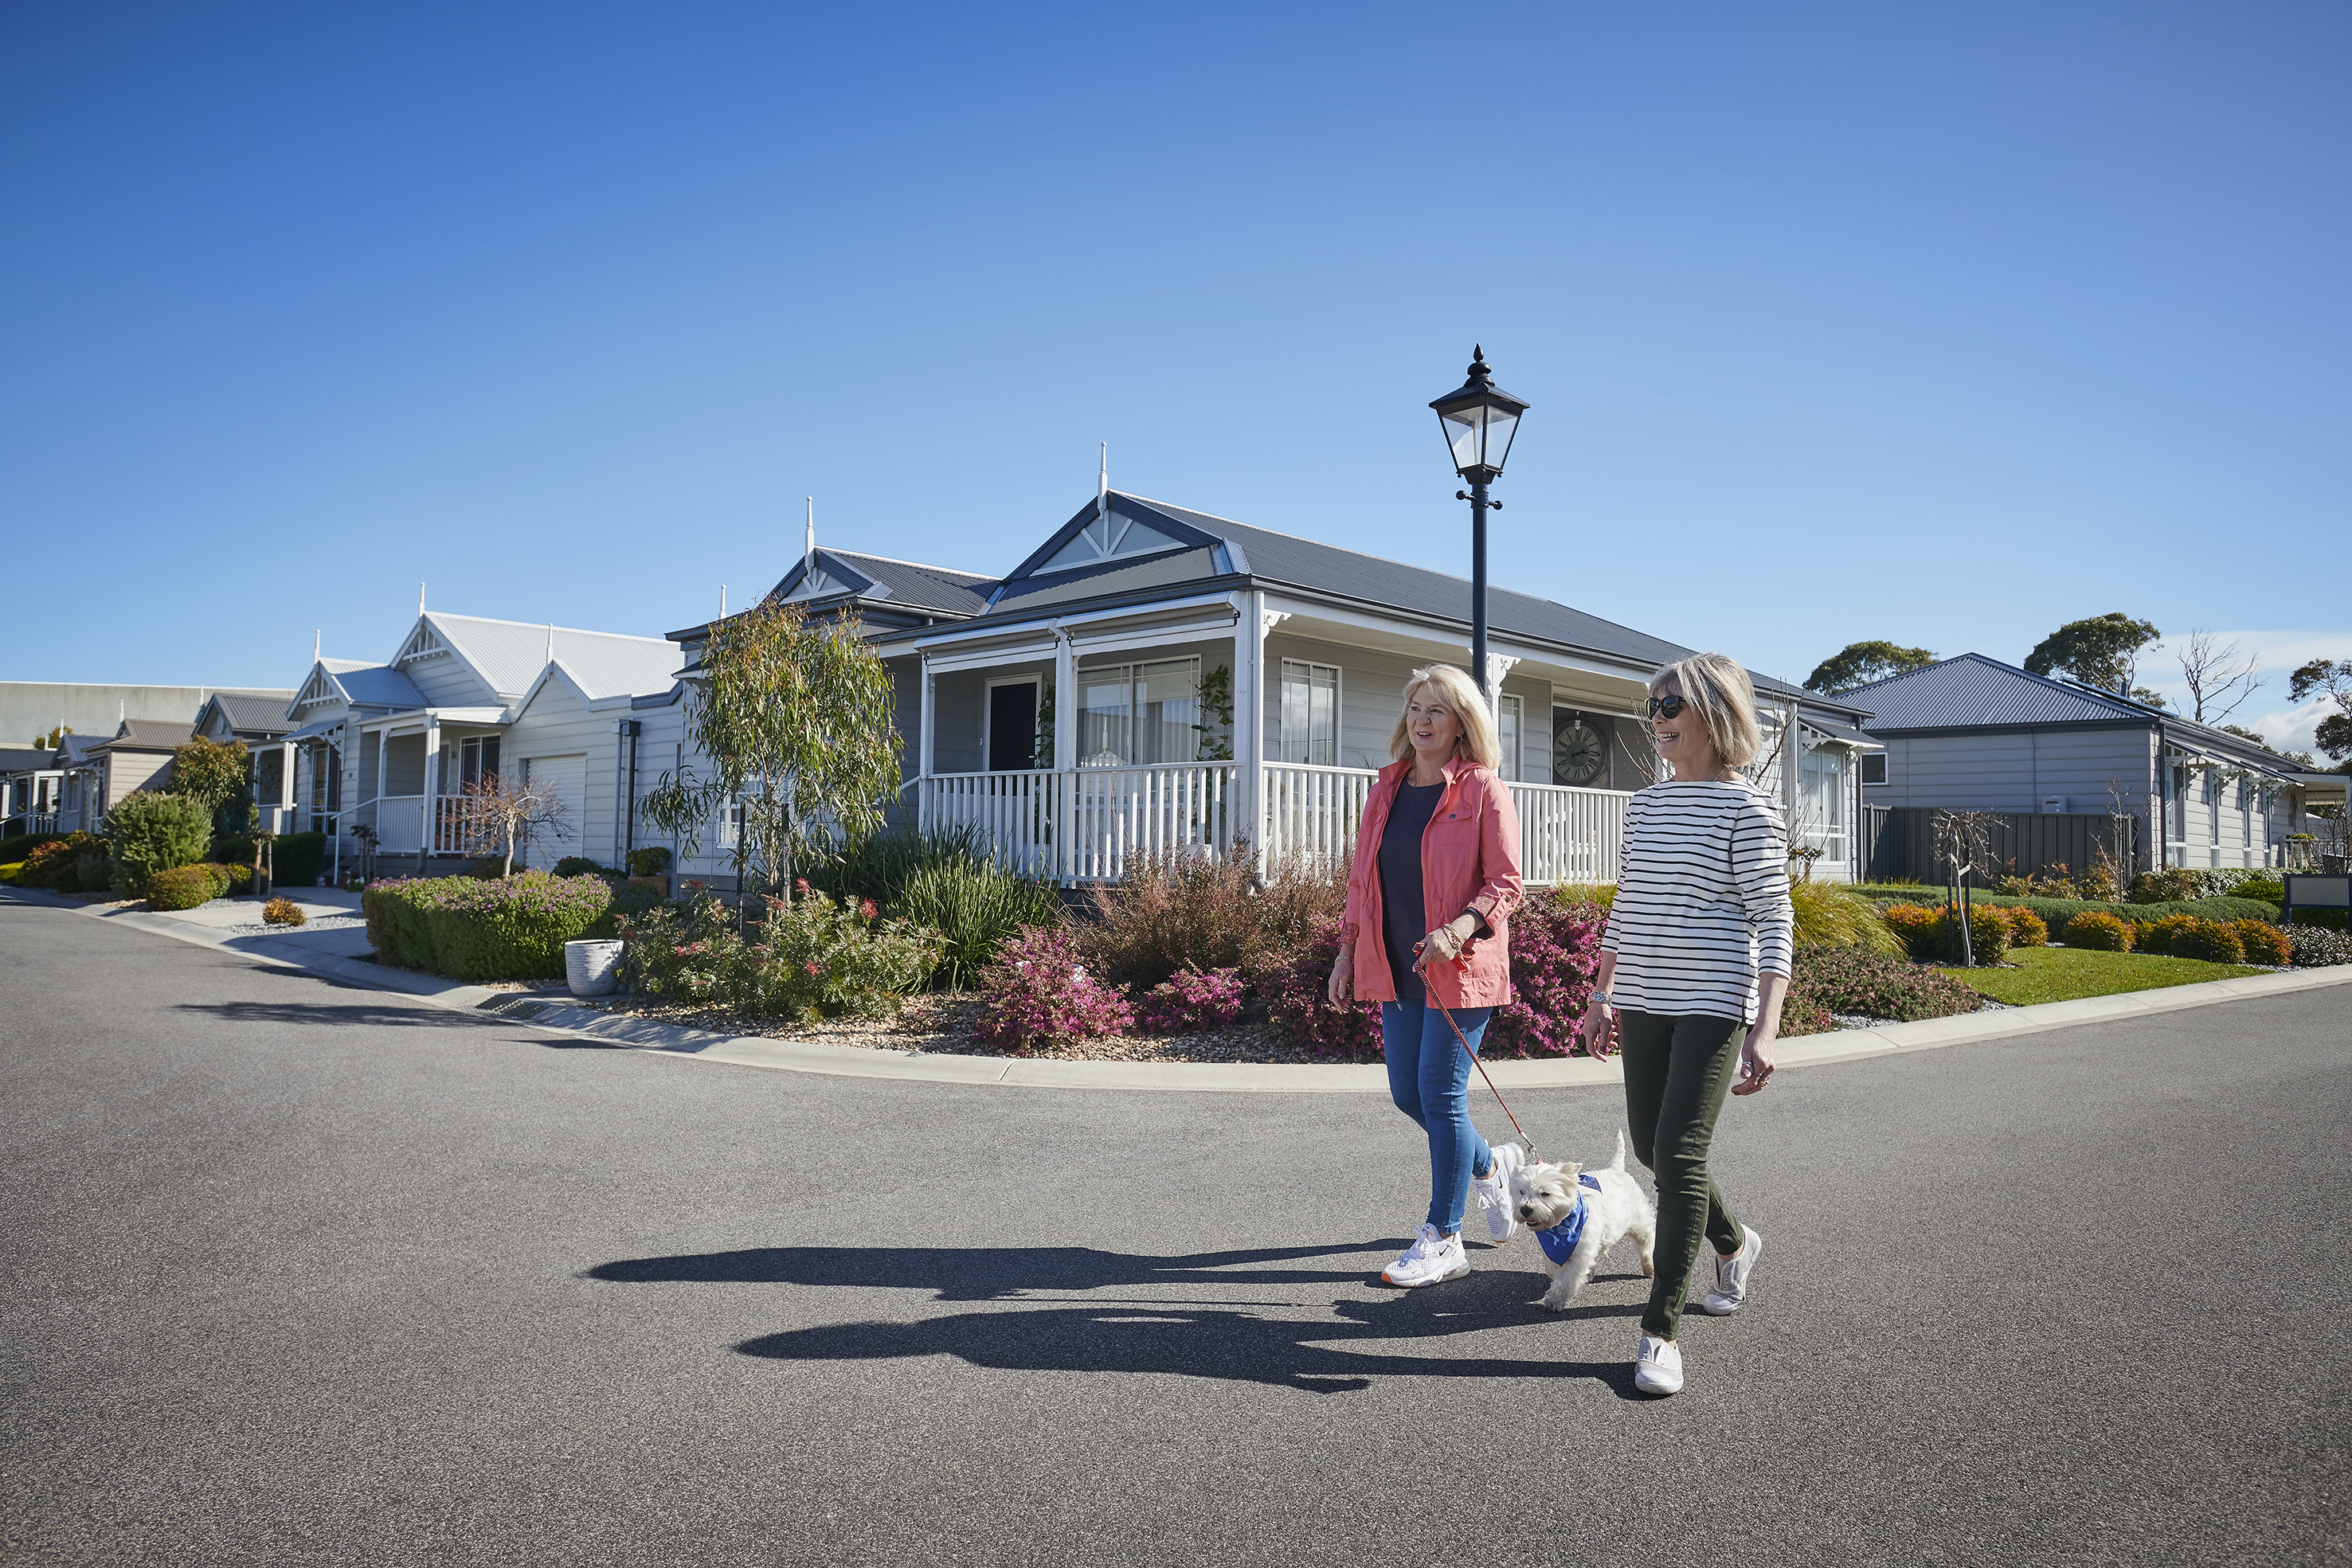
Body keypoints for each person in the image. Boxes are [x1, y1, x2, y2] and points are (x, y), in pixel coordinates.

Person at [1580, 651, 1793, 1396]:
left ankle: (1659, 1330)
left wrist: (1764, 1029)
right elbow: (1627, 903)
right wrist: (1600, 991)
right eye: (1652, 708)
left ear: (1714, 712)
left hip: (1711, 1002)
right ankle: (1734, 1244)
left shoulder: (1748, 809)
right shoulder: (1643, 805)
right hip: (1641, 994)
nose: (1656, 720)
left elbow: (1774, 921)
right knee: (1651, 1146)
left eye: (1668, 706)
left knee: (1675, 1150)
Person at [1329, 663, 1526, 1288]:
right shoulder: (1384, 789)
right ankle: (1487, 1165)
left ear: (1461, 721)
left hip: (1459, 966)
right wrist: (1345, 951)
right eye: (1416, 705)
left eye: (1437, 709)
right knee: (1409, 1096)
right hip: (1395, 962)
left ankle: (1443, 1237)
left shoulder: (1482, 790)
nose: (1422, 719)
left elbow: (1506, 882)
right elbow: (1363, 881)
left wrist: (1458, 929)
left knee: (1441, 1096)